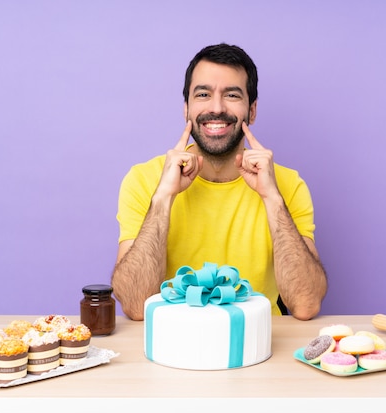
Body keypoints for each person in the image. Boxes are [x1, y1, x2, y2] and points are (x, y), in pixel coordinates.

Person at [111, 43, 327, 321]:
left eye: (232, 95)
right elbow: (135, 306)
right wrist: (163, 198)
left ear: (252, 110)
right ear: (186, 108)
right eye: (203, 94)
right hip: (172, 345)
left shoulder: (288, 184)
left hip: (259, 345)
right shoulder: (143, 180)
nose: (216, 108)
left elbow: (306, 305)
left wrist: (273, 200)